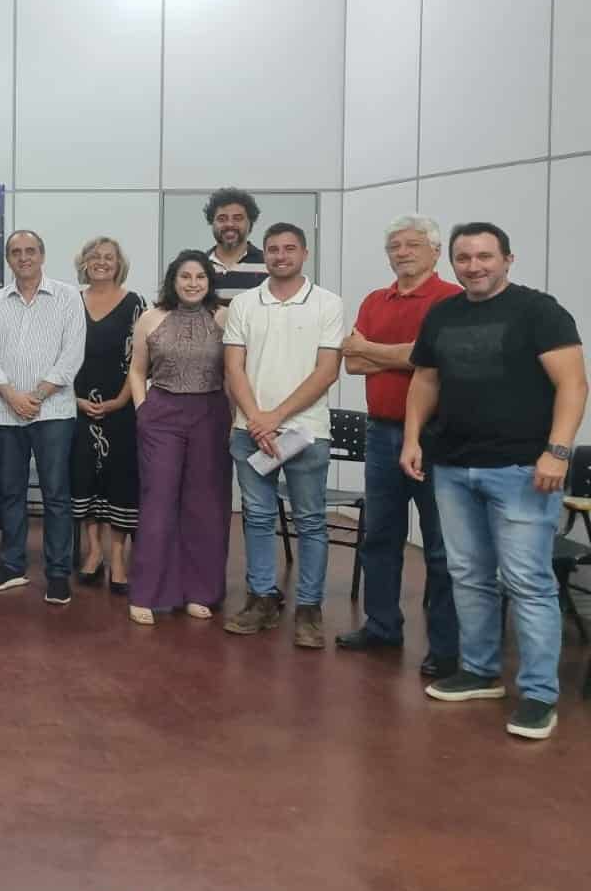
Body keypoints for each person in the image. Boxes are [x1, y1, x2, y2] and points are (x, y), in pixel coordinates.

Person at [403, 222, 587, 740]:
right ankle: (481, 672)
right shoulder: (442, 314)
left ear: (508, 259)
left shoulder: (539, 311)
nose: (474, 266)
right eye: (464, 258)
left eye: (485, 256)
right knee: (468, 574)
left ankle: (539, 694)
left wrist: (557, 452)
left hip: (523, 470)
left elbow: (573, 384)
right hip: (452, 466)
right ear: (453, 263)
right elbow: (425, 380)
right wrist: (412, 438)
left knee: (527, 581)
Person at [336, 215, 461, 676]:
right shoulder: (375, 300)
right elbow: (351, 363)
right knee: (380, 537)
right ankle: (382, 626)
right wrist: (406, 354)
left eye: (413, 244)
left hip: (437, 437)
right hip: (381, 432)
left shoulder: (451, 299)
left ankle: (445, 647)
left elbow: (435, 361)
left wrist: (377, 350)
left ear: (435, 251)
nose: (402, 252)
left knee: (440, 546)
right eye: (395, 246)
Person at [222, 222, 344, 647]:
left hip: (306, 433)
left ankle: (309, 609)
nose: (280, 256)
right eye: (273, 249)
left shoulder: (327, 303)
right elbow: (233, 367)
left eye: (289, 248)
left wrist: (275, 416)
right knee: (257, 518)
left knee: (309, 521)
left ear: (304, 253)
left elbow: (327, 371)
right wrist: (257, 418)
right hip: (249, 432)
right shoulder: (244, 304)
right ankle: (261, 599)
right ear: (265, 255)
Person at [0, 230, 87, 603]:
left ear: (42, 255)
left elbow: (72, 356)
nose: (23, 257)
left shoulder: (68, 297)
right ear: (8, 259)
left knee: (55, 494)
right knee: (11, 492)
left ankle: (57, 574)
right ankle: (12, 566)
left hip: (53, 412)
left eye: (30, 251)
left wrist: (36, 397)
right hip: (5, 412)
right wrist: (12, 397)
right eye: (15, 252)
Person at [126, 250, 232, 626]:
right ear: (173, 280)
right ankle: (148, 593)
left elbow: (234, 372)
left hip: (211, 414)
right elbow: (137, 371)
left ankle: (199, 591)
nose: (192, 283)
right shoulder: (150, 318)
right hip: (162, 414)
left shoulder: (224, 316)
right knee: (158, 501)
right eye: (185, 276)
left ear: (209, 281)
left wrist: (236, 419)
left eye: (200, 277)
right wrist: (142, 410)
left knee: (205, 504)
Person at [70, 237, 146, 593]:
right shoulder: (70, 302)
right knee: (84, 478)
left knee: (121, 481)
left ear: (119, 264)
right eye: (95, 257)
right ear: (84, 262)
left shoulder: (136, 304)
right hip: (76, 407)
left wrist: (119, 401)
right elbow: (57, 355)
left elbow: (141, 361)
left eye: (109, 257)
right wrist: (74, 400)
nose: (101, 262)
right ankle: (93, 551)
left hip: (122, 408)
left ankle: (117, 556)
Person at [204, 187, 267, 304]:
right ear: (212, 223)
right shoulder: (199, 265)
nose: (230, 224)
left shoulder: (268, 265)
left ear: (250, 223)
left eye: (238, 218)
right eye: (222, 219)